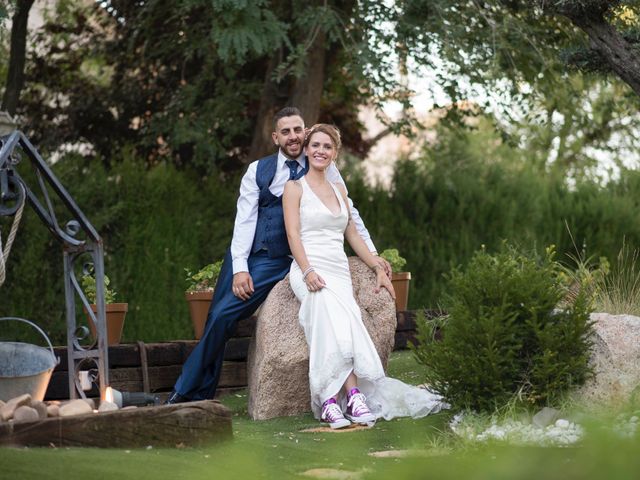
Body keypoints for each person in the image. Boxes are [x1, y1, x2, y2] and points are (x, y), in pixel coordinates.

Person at [166, 108, 388, 404]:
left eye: (298, 129)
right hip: (264, 259)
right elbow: (243, 222)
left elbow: (349, 216)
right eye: (286, 132)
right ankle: (189, 391)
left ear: (305, 131)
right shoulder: (259, 170)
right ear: (276, 137)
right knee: (220, 317)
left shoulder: (323, 164)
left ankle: (343, 391)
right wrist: (241, 269)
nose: (293, 136)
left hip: (303, 259)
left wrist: (373, 256)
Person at [283, 124, 446, 429]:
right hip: (309, 267)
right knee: (322, 309)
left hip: (338, 269)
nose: (320, 151)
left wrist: (375, 266)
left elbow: (353, 233)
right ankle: (344, 397)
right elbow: (293, 234)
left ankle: (337, 399)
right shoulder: (294, 188)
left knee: (343, 322)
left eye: (327, 147)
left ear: (335, 154)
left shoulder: (339, 190)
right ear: (305, 149)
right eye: (315, 145)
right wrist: (307, 271)